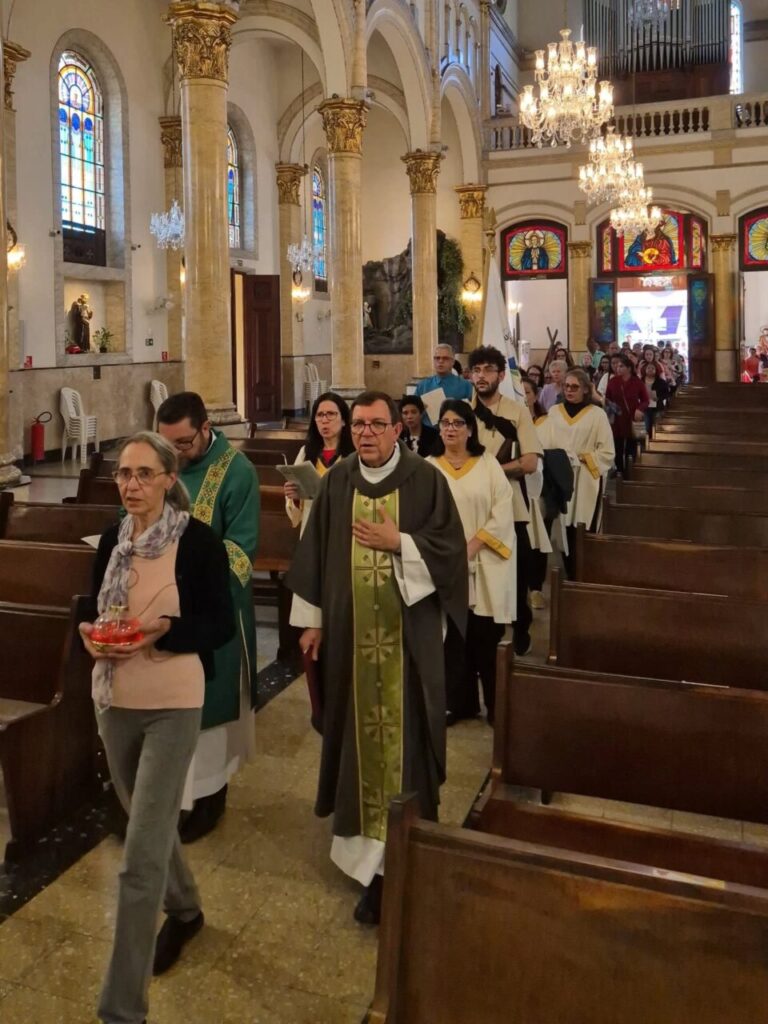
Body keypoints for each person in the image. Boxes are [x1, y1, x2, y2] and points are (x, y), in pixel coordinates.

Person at [286, 391, 467, 926]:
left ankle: (399, 860)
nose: (365, 433)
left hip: (406, 643)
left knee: (405, 748)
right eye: (358, 424)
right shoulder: (339, 480)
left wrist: (400, 542)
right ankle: (366, 862)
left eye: (376, 424)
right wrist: (313, 622)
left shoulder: (425, 479)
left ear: (396, 429)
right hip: (348, 641)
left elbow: (451, 551)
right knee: (355, 742)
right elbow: (315, 553)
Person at [79, 431, 234, 1024]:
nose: (132, 485)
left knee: (138, 856)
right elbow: (95, 608)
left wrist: (165, 631)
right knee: (148, 816)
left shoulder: (197, 544)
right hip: (113, 699)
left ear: (171, 479)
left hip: (173, 700)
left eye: (145, 474)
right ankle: (188, 907)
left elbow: (217, 622)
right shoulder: (113, 542)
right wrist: (90, 635)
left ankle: (121, 1010)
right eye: (124, 474)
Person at [157, 392, 259, 843]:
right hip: (160, 609)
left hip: (212, 612)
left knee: (209, 712)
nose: (174, 454)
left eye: (182, 443)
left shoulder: (236, 472)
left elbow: (240, 549)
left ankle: (209, 797)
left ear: (204, 429)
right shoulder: (159, 465)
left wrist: (196, 592)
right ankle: (167, 799)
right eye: (167, 444)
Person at [428, 400, 515, 726]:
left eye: (458, 423)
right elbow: (421, 514)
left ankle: (496, 704)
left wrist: (472, 546)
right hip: (446, 567)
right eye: (445, 422)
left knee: (485, 639)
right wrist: (446, 553)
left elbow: (502, 508)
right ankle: (460, 702)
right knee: (454, 640)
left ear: (469, 429)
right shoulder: (429, 466)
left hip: (484, 563)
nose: (451, 428)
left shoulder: (487, 463)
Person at [468, 345, 544, 657]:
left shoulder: (517, 411)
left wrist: (492, 471)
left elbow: (529, 463)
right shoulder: (460, 410)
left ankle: (521, 621)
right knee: (480, 573)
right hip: (471, 507)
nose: (481, 376)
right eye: (476, 370)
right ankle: (486, 631)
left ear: (501, 375)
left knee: (516, 572)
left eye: (488, 370)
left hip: (510, 508)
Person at [536, 369, 615, 572]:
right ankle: (570, 575)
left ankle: (583, 574)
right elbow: (545, 441)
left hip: (585, 477)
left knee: (580, 528)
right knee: (562, 528)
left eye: (575, 387)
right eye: (566, 386)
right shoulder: (554, 411)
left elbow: (607, 452)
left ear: (586, 390)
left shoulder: (598, 415)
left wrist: (583, 458)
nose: (569, 390)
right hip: (561, 476)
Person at [284, 391, 354, 532]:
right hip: (312, 526)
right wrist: (295, 497)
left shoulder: (354, 454)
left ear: (344, 420)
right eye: (320, 415)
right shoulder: (305, 452)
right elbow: (296, 508)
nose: (324, 420)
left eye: (331, 414)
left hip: (343, 527)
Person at [522, 377, 552, 610]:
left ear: (535, 396)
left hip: (539, 490)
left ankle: (536, 588)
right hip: (515, 490)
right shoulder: (508, 421)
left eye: (527, 392)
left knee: (537, 540)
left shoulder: (546, 422)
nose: (523, 397)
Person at [605, 354, 649, 476]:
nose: (618, 369)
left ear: (629, 368)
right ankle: (619, 469)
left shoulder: (637, 382)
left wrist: (640, 409)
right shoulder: (613, 382)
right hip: (617, 418)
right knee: (617, 446)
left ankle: (630, 469)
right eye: (617, 366)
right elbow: (607, 399)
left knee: (631, 445)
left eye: (621, 366)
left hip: (632, 417)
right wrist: (610, 408)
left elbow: (645, 400)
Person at [415, 342, 473, 424]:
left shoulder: (465, 385)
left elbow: (475, 411)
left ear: (452, 362)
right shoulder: (423, 385)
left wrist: (458, 406)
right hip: (428, 432)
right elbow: (412, 410)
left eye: (445, 358)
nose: (440, 361)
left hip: (454, 431)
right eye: (437, 358)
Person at [639, 359, 669, 437]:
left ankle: (654, 443)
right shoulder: (640, 381)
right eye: (648, 368)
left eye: (652, 368)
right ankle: (646, 443)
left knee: (655, 427)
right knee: (646, 426)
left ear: (656, 370)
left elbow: (666, 394)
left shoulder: (661, 382)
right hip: (644, 407)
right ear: (645, 369)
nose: (650, 370)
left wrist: (659, 398)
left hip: (657, 407)